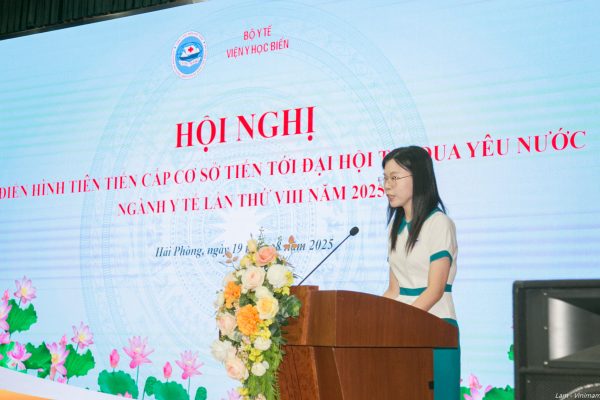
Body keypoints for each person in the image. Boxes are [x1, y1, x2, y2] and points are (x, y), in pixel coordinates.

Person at [380, 146, 460, 399]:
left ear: (419, 178)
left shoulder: (439, 223)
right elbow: (394, 289)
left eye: (395, 177)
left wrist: (402, 323)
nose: (387, 186)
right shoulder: (395, 228)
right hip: (402, 331)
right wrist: (373, 318)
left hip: (435, 325)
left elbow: (435, 290)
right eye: (385, 178)